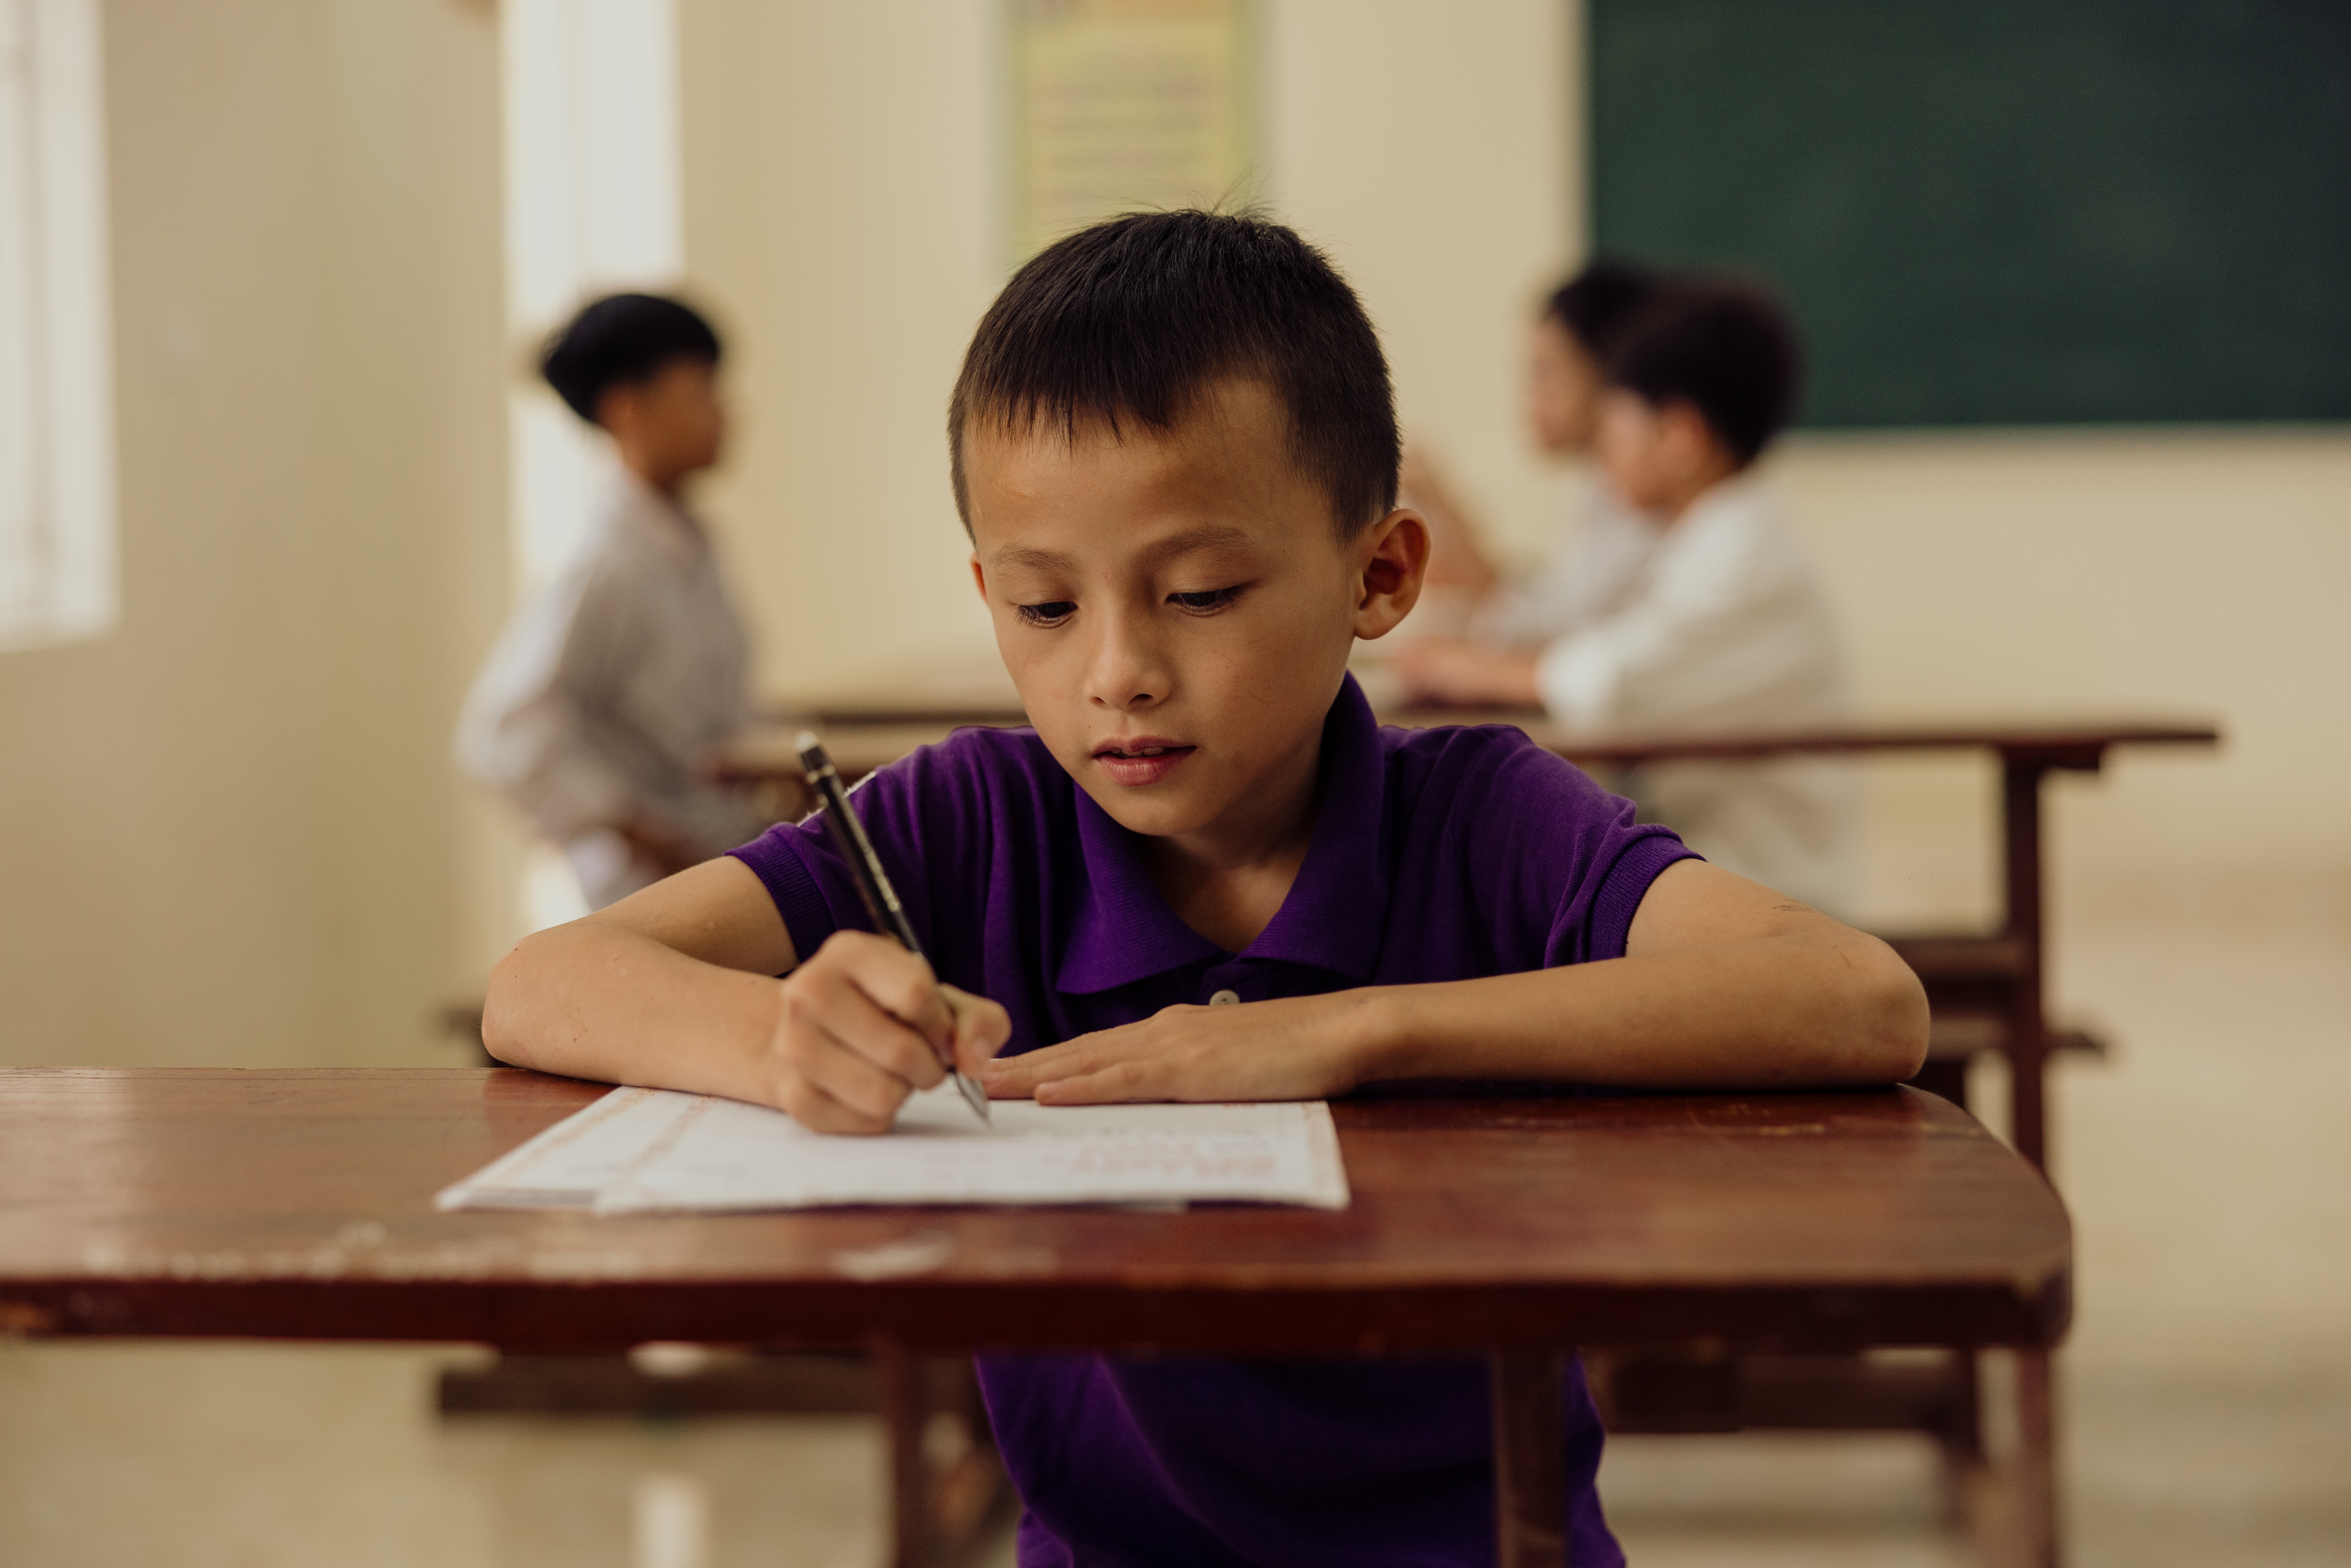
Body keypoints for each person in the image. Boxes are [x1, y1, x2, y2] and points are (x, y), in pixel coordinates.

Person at [481, 212, 1927, 1567]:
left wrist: (1359, 1029)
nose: (1116, 671)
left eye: (1200, 592)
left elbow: (1856, 998)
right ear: (989, 593)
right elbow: (541, 982)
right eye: (1045, 607)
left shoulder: (1480, 812)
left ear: (1380, 575)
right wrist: (778, 1036)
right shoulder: (973, 819)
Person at [1393, 279, 1859, 914]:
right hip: (1709, 853)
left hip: (1764, 880)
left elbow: (1619, 677)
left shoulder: (1744, 554)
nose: (1606, 444)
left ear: (1682, 437)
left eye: (1618, 419)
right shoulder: (1700, 534)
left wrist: (1469, 667)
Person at [456, 292, 769, 910]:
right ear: (629, 409)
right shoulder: (606, 565)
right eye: (701, 390)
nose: (724, 413)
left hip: (722, 856)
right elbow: (505, 732)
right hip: (658, 891)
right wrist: (640, 832)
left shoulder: (690, 543)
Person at [1402, 257, 1664, 642]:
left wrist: (1441, 508)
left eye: (1547, 372)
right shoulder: (1601, 490)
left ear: (1610, 373)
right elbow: (1540, 604)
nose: (1530, 398)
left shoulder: (1648, 510)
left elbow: (1534, 632)